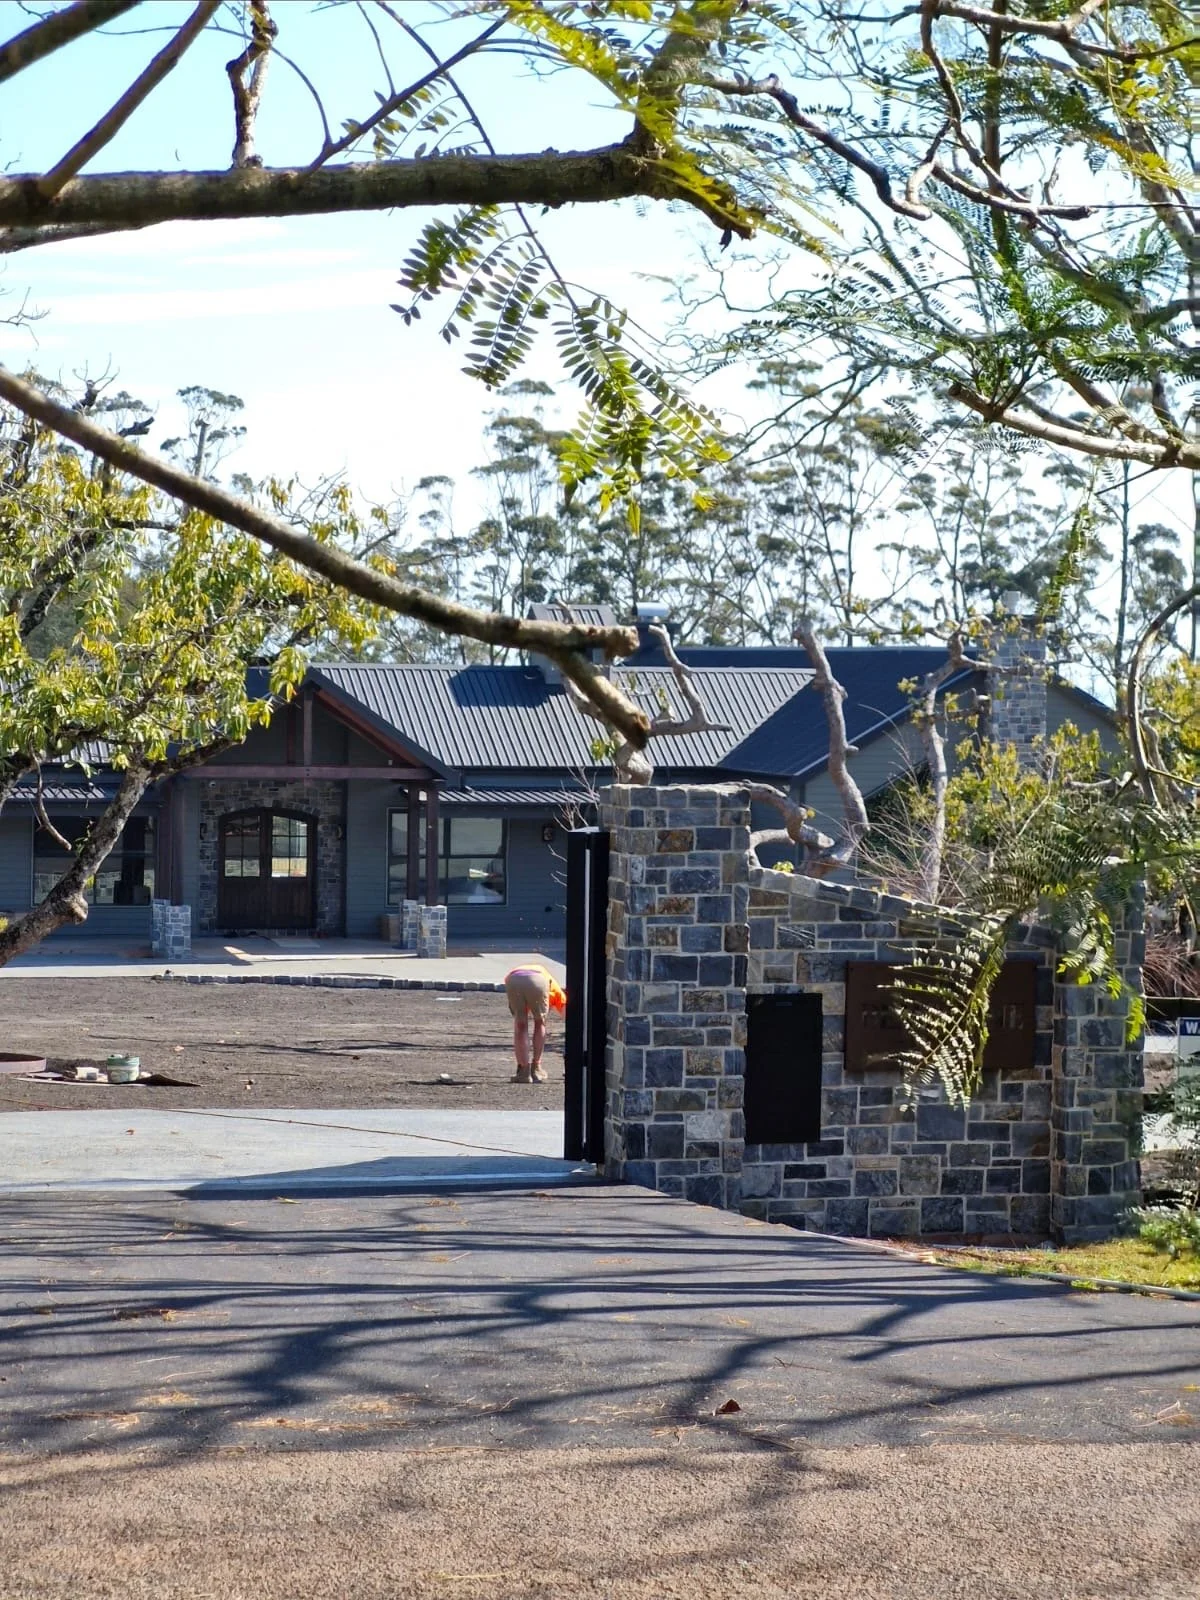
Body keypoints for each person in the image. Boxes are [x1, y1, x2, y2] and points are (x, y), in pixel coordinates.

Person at [503, 963, 566, 1084]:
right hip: (538, 979)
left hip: (513, 979)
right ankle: (536, 1068)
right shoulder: (557, 993)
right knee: (540, 1023)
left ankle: (523, 1072)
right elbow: (568, 1015)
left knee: (520, 1024)